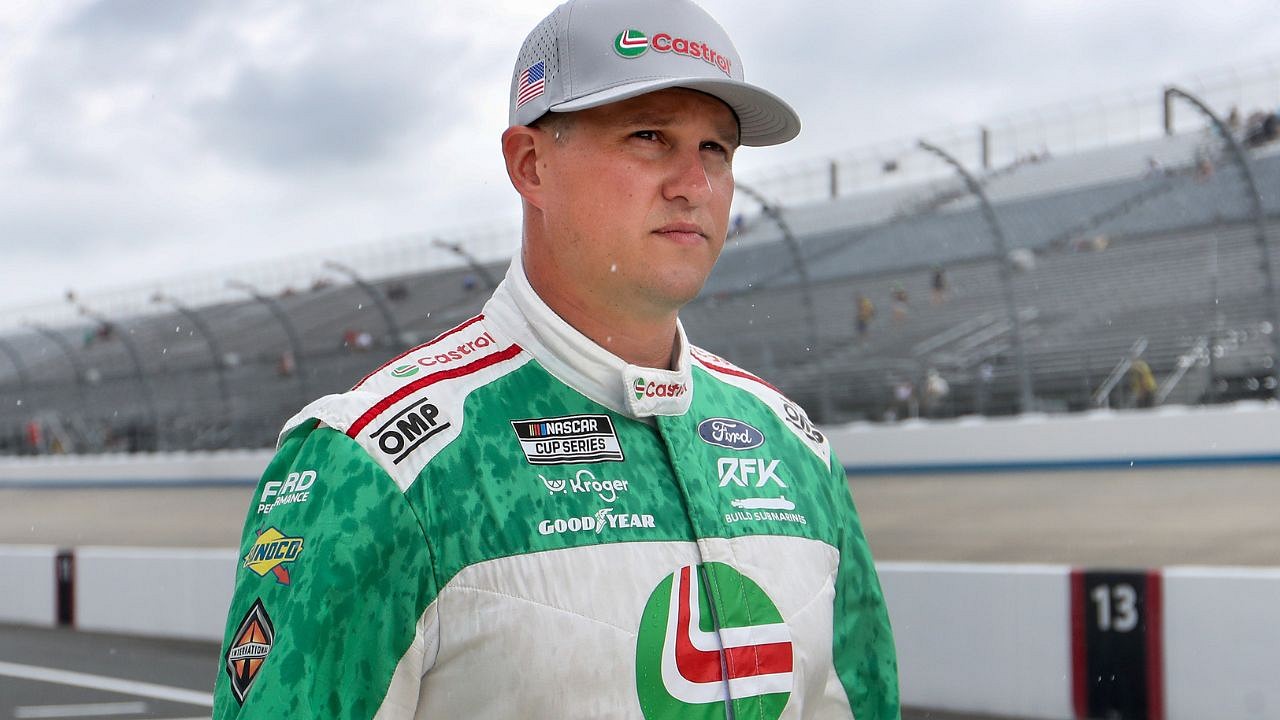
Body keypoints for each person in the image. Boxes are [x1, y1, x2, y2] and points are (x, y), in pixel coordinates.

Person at [212, 1, 898, 718]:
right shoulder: (381, 467)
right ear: (531, 166)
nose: (693, 184)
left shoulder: (797, 451)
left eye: (715, 151)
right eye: (649, 136)